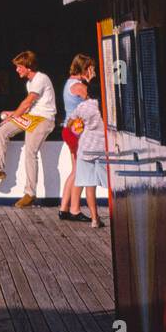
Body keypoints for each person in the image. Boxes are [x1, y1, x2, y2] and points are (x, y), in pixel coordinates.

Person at [0, 50, 56, 208]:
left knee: (30, 152)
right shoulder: (29, 82)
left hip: (44, 120)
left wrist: (13, 116)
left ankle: (30, 194)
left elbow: (27, 103)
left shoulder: (40, 79)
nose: (17, 70)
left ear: (28, 67)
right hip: (32, 117)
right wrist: (13, 114)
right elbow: (29, 108)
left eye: (19, 67)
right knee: (2, 131)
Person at [59, 54, 96, 221]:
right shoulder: (80, 86)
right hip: (78, 132)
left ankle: (64, 208)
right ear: (85, 68)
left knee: (75, 170)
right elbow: (94, 105)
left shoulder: (69, 83)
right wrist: (92, 81)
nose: (93, 70)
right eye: (91, 68)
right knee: (80, 170)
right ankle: (74, 209)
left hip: (69, 130)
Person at [72, 78, 107, 228]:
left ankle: (94, 219)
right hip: (104, 149)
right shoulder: (107, 107)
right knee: (113, 185)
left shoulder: (83, 107)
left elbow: (71, 124)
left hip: (86, 149)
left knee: (89, 185)